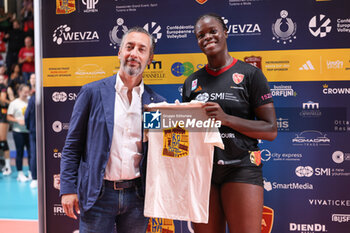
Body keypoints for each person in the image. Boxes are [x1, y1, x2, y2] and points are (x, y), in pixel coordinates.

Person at [60, 27, 166, 233]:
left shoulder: (155, 103)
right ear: (120, 52)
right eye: (129, 47)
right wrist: (68, 189)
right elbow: (72, 147)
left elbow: (157, 155)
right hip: (98, 195)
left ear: (150, 58)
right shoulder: (92, 92)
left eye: (141, 49)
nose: (134, 53)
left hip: (137, 198)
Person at [182, 13, 277, 233]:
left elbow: (270, 129)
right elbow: (188, 130)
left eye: (213, 31)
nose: (207, 37)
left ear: (225, 32)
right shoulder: (191, 81)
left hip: (241, 167)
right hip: (202, 170)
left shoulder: (250, 75)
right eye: (201, 35)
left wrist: (226, 119)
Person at [7, 84, 31, 182]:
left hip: (29, 131)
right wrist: (18, 120)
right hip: (18, 132)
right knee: (20, 152)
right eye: (24, 92)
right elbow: (8, 116)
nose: (26, 94)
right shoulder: (14, 103)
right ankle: (20, 173)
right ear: (19, 92)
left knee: (31, 153)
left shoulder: (30, 101)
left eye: (27, 91)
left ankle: (31, 172)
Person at [25, 73, 36, 188]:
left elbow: (27, 115)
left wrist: (29, 126)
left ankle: (35, 178)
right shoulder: (33, 96)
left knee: (34, 154)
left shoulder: (34, 97)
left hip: (33, 130)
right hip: (34, 129)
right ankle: (34, 177)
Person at [0, 74, 11, 175]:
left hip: (3, 114)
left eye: (2, 78)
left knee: (2, 139)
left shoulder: (4, 87)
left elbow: (3, 100)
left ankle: (8, 166)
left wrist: (10, 102)